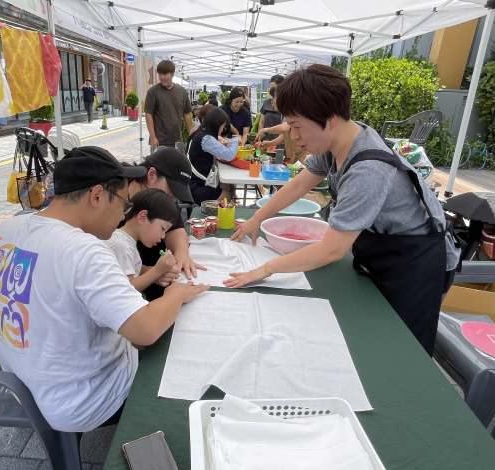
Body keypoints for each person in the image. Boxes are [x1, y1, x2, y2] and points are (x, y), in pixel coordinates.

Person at [228, 64, 461, 356]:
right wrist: (256, 219)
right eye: (290, 126)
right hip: (383, 249)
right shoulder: (338, 142)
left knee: (399, 351)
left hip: (417, 261)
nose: (294, 136)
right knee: (369, 335)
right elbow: (299, 185)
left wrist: (265, 269)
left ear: (331, 118)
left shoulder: (368, 170)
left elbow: (331, 250)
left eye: (298, 126)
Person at [0, 146, 209, 433]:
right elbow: (145, 331)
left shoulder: (4, 229)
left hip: (27, 384)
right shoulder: (84, 251)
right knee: (188, 367)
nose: (123, 216)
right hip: (86, 401)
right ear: (97, 196)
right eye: (124, 204)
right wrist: (177, 293)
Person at [124, 148, 208, 300]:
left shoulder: (163, 199)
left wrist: (181, 253)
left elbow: (176, 229)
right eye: (171, 193)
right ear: (151, 175)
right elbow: (116, 263)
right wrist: (152, 273)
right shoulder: (116, 200)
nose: (173, 200)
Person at [106, 189, 179, 293]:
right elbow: (128, 288)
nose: (163, 236)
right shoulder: (122, 246)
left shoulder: (125, 240)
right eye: (162, 228)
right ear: (143, 217)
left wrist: (161, 272)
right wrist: (157, 271)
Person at [187, 108, 240, 204]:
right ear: (216, 124)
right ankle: (216, 216)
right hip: (195, 188)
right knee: (226, 194)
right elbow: (229, 155)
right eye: (222, 127)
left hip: (192, 183)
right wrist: (235, 140)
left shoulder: (200, 133)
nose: (222, 130)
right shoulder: (206, 139)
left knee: (228, 186)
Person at [145, 60, 193, 150]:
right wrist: (152, 136)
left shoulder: (181, 91)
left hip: (177, 140)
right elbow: (148, 114)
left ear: (172, 74)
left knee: (176, 164)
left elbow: (186, 113)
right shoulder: (153, 92)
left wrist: (191, 133)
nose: (162, 77)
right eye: (160, 74)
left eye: (165, 74)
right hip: (159, 141)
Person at [258, 75, 284, 141]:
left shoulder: (287, 105)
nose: (271, 91)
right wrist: (260, 136)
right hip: (267, 140)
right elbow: (261, 122)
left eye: (274, 88)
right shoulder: (266, 103)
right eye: (270, 88)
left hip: (281, 142)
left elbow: (284, 127)